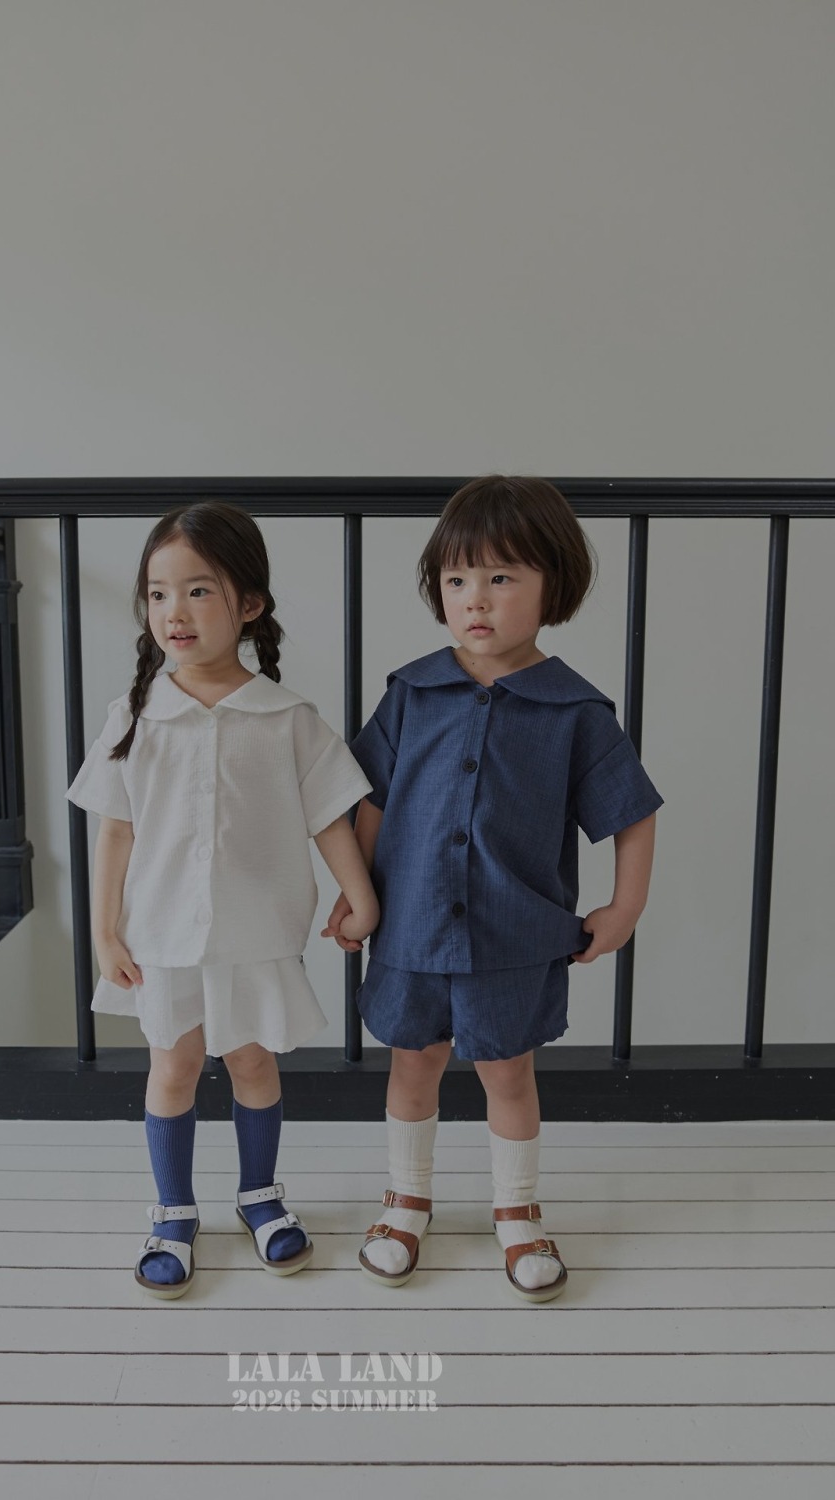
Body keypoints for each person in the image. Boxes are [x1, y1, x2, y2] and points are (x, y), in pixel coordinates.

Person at [322, 475, 662, 1302]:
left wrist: (625, 906)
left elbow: (632, 812)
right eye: (457, 579)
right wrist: (358, 893)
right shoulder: (411, 692)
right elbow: (371, 800)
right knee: (413, 1063)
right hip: (410, 929)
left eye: (501, 577)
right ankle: (406, 1202)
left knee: (508, 1072)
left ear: (553, 585)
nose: (475, 599)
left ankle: (518, 1210)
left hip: (514, 934)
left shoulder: (576, 711)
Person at [68, 502, 378, 1298]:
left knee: (252, 1059)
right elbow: (114, 833)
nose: (174, 611)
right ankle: (173, 1210)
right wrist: (105, 933)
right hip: (162, 934)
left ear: (249, 604)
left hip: (255, 931)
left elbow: (328, 816)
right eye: (158, 593)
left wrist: (360, 895)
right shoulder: (134, 718)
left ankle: (259, 1196)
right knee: (172, 1064)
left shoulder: (286, 718)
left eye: (198, 590)